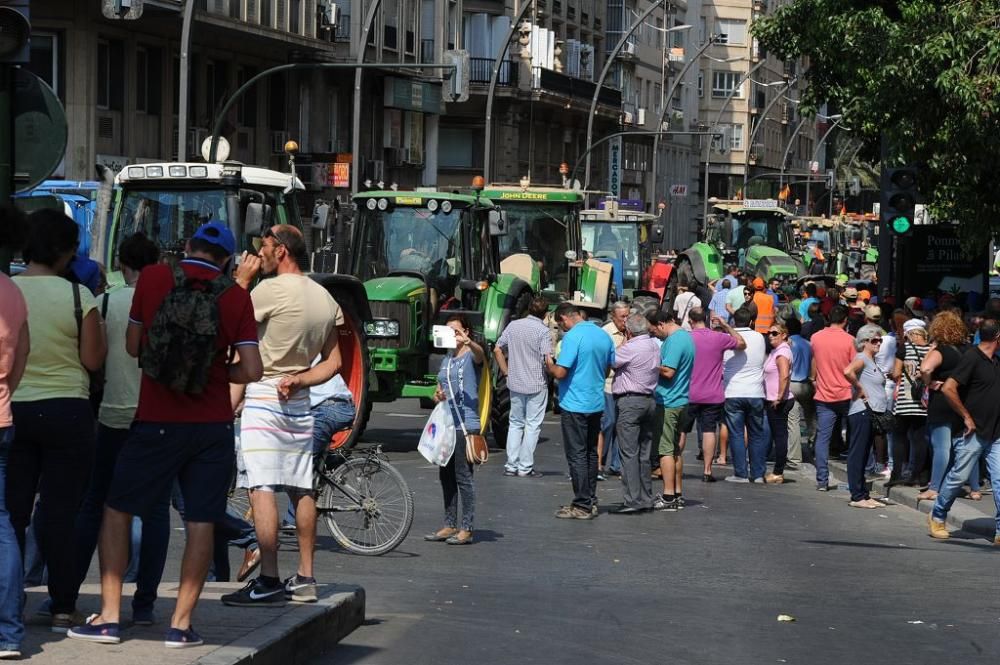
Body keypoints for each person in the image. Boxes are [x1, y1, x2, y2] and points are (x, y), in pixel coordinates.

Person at [68, 221, 262, 647]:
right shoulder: (235, 297)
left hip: (155, 421)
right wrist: (214, 372)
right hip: (211, 427)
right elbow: (251, 370)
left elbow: (134, 347)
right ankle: (180, 626)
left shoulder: (156, 277)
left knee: (117, 511)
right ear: (228, 258)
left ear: (188, 246)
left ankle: (111, 618)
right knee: (200, 521)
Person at [222, 225, 344, 607]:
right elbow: (335, 362)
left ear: (283, 251)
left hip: (263, 393)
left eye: (266, 246)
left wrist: (242, 282)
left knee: (261, 488)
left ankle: (270, 576)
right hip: (299, 399)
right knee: (301, 486)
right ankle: (306, 577)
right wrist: (301, 378)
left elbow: (231, 325)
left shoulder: (268, 291)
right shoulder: (325, 298)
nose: (260, 253)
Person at [8, 210, 107, 634]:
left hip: (12, 411)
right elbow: (92, 360)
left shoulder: (6, 291)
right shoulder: (77, 297)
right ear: (66, 252)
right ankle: (64, 605)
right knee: (61, 513)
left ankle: (10, 601)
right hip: (68, 411)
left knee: (10, 515)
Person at [74, 233, 168, 627]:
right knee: (157, 510)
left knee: (96, 506)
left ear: (121, 263)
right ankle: (144, 604)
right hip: (157, 419)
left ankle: (67, 592)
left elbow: (94, 362)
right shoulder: (167, 303)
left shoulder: (106, 302)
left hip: (112, 417)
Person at [928, 318, 1000, 543]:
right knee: (958, 476)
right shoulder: (972, 357)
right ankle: (938, 516)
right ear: (997, 338)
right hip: (973, 432)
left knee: (999, 480)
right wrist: (966, 417)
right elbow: (949, 388)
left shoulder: (996, 361)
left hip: (995, 432)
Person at [546, 302, 614, 519]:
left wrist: (549, 365)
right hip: (595, 401)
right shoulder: (603, 335)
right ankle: (590, 499)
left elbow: (561, 372)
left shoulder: (573, 337)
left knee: (577, 455)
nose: (562, 327)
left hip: (575, 403)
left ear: (565, 318)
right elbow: (608, 367)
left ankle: (582, 504)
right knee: (591, 453)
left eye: (561, 324)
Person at [425, 314, 485, 543]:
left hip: (465, 423)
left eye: (456, 330)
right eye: (448, 330)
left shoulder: (471, 355)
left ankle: (466, 528)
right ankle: (449, 524)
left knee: (463, 477)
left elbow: (481, 356)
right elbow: (440, 388)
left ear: (466, 332)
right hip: (447, 423)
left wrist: (468, 342)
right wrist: (437, 395)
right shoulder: (447, 358)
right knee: (446, 475)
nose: (452, 334)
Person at [0, 209, 29, 659]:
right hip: (2, 416)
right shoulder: (13, 292)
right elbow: (21, 359)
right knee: (3, 525)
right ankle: (7, 634)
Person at [686, 308, 746, 482]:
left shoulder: (686, 338)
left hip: (689, 393)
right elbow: (741, 343)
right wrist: (726, 325)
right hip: (712, 394)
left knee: (681, 431)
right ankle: (707, 470)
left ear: (690, 321)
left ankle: (675, 464)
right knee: (709, 430)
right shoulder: (718, 338)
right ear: (706, 319)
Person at [494, 296, 552, 478]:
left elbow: (497, 349)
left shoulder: (513, 326)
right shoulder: (543, 331)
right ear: (545, 314)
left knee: (515, 423)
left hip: (515, 381)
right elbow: (547, 359)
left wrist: (505, 371)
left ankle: (511, 465)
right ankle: (525, 466)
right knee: (532, 425)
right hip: (536, 382)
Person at [608, 313, 660, 514]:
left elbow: (612, 361)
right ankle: (646, 497)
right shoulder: (653, 344)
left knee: (629, 453)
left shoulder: (630, 347)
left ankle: (632, 499)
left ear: (629, 331)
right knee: (644, 454)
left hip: (631, 401)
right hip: (649, 399)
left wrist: (623, 342)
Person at [918, 311, 970, 501]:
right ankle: (960, 485)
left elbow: (925, 368)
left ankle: (934, 487)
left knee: (941, 446)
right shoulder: (967, 350)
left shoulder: (941, 351)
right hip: (961, 401)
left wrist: (928, 382)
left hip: (941, 400)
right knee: (959, 446)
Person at [648, 310, 695, 511]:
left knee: (665, 450)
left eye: (653, 331)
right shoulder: (686, 337)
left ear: (660, 324)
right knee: (675, 450)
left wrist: (650, 365)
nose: (654, 335)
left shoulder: (675, 340)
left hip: (670, 401)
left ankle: (668, 496)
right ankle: (676, 493)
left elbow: (668, 371)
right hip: (681, 398)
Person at [843, 327, 890, 508]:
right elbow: (848, 371)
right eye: (874, 340)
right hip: (862, 411)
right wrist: (859, 387)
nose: (878, 343)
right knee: (858, 453)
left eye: (880, 341)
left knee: (864, 454)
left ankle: (863, 493)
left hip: (871, 413)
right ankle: (857, 496)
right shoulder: (862, 358)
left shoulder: (872, 360)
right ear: (864, 342)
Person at [810, 305, 855, 491]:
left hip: (824, 394)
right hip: (846, 394)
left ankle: (822, 480)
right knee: (854, 437)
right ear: (846, 320)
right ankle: (856, 478)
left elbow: (815, 361)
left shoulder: (816, 338)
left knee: (823, 439)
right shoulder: (851, 340)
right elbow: (854, 368)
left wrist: (813, 379)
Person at [722, 307, 768, 483]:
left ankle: (740, 473)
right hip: (756, 392)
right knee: (757, 434)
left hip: (733, 391)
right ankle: (758, 474)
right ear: (750, 322)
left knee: (737, 434)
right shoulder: (759, 337)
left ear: (733, 321)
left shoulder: (727, 339)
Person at [888, 319, 930, 487]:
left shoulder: (904, 348)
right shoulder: (931, 349)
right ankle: (918, 475)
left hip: (906, 399)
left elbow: (897, 372)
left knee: (899, 437)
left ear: (909, 333)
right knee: (920, 438)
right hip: (924, 400)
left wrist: (893, 374)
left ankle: (897, 474)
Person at [598, 303, 629, 479]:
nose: (625, 320)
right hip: (609, 384)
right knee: (608, 423)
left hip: (625, 386)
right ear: (613, 317)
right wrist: (625, 346)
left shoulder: (632, 330)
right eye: (622, 317)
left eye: (627, 316)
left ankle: (616, 464)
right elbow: (607, 359)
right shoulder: (606, 333)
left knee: (621, 426)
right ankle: (600, 461)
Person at [763, 322, 794, 484]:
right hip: (773, 398)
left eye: (775, 333)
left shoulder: (782, 353)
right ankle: (776, 470)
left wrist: (779, 397)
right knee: (778, 435)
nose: (770, 335)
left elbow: (784, 376)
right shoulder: (777, 351)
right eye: (769, 333)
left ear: (783, 335)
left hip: (779, 400)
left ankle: (778, 472)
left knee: (780, 436)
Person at [786, 317, 814, 467]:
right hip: (807, 384)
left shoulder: (788, 344)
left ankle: (795, 457)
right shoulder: (808, 344)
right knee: (811, 418)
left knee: (793, 421)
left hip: (792, 384)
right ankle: (813, 445)